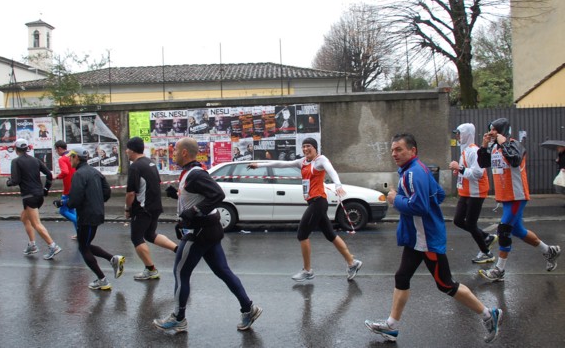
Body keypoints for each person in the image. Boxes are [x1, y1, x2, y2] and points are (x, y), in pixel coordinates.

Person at [364, 133, 502, 344]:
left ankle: (488, 314)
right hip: (418, 238)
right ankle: (392, 326)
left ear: (412, 151)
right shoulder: (418, 169)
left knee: (446, 284)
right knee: (402, 277)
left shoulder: (413, 173)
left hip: (426, 239)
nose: (394, 153)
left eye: (399, 149)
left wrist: (395, 199)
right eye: (392, 150)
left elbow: (420, 206)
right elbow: (438, 195)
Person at [153, 137, 262, 332]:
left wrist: (194, 211)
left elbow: (217, 195)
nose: (173, 153)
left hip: (199, 231)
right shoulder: (190, 173)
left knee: (180, 272)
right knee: (223, 271)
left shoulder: (195, 174)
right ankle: (249, 309)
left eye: (176, 150)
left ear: (185, 152)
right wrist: (177, 196)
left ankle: (179, 318)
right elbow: (200, 196)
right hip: (209, 230)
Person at [248, 137, 363, 282]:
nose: (305, 149)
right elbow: (282, 164)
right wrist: (258, 165)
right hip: (313, 203)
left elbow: (331, 170)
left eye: (308, 146)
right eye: (303, 147)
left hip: (318, 202)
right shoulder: (302, 162)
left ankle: (308, 271)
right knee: (330, 234)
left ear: (315, 148)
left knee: (302, 234)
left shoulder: (320, 160)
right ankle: (352, 263)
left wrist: (338, 185)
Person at [477, 118, 560, 281]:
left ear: (502, 131)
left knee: (504, 230)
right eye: (490, 130)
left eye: (494, 130)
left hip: (517, 196)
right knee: (518, 230)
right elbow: (482, 163)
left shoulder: (515, 145)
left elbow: (514, 160)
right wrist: (484, 145)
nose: (491, 132)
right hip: (505, 197)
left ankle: (499, 270)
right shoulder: (494, 148)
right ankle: (549, 251)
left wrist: (504, 143)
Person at [66, 146, 124, 290]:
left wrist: (66, 203)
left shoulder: (79, 174)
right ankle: (113, 259)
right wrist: (97, 202)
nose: (69, 159)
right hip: (96, 214)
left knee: (83, 247)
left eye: (70, 157)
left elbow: (75, 198)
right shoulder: (95, 172)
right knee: (85, 244)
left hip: (86, 216)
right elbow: (107, 191)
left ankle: (102, 280)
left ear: (76, 157)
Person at [124, 137, 177, 281]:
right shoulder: (151, 163)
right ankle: (178, 250)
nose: (126, 151)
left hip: (142, 208)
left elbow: (130, 193)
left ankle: (151, 270)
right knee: (149, 234)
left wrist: (128, 209)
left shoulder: (135, 166)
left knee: (136, 238)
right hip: (155, 206)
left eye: (127, 148)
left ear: (133, 150)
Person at [448, 124, 497, 264]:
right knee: (458, 220)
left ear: (466, 134)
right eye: (456, 134)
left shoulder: (474, 151)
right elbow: (466, 171)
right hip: (466, 192)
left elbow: (477, 173)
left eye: (459, 133)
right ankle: (487, 237)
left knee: (470, 223)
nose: (457, 136)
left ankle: (487, 253)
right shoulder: (464, 150)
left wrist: (460, 168)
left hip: (476, 192)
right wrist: (459, 171)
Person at [7, 139, 61, 260]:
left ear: (16, 149)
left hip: (29, 196)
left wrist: (9, 182)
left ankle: (53, 246)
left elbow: (15, 180)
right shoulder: (35, 160)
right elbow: (49, 174)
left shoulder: (16, 161)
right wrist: (46, 189)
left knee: (36, 223)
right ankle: (32, 244)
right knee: (24, 218)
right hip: (39, 195)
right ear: (27, 148)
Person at [53, 140, 77, 238]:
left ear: (59, 148)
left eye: (56, 150)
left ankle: (80, 224)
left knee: (63, 211)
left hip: (68, 189)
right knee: (71, 210)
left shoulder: (62, 159)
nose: (56, 152)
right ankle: (79, 233)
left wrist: (56, 177)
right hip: (76, 186)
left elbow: (65, 172)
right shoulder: (73, 155)